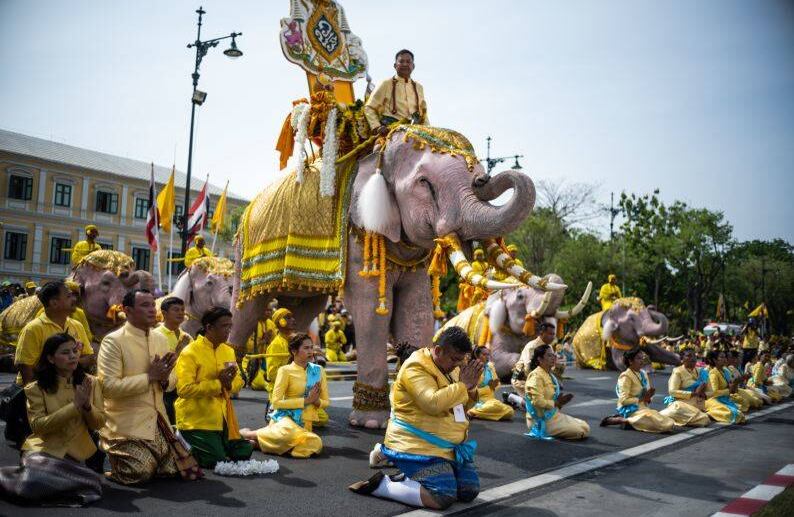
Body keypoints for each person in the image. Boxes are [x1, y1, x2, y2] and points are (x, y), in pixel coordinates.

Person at [352, 327, 483, 510]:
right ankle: (382, 485)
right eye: (454, 359)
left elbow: (458, 405)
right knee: (442, 496)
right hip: (417, 446)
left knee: (469, 490)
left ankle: (407, 476)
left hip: (446, 447)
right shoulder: (416, 367)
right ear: (438, 350)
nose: (458, 365)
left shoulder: (451, 368)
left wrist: (470, 389)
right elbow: (432, 403)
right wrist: (463, 386)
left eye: (461, 360)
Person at [98, 289, 198, 484]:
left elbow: (170, 383)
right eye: (145, 305)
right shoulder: (113, 341)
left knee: (174, 470)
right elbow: (108, 387)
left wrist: (165, 378)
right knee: (141, 472)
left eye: (153, 304)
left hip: (158, 420)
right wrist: (149, 377)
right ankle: (111, 460)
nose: (152, 309)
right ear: (127, 310)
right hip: (126, 423)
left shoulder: (159, 339)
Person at [0, 333, 104, 506]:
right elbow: (39, 427)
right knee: (31, 482)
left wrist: (87, 407)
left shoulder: (91, 383)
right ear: (50, 359)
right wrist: (74, 406)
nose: (72, 356)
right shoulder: (36, 387)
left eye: (74, 351)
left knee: (86, 481)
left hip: (74, 454)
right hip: (42, 451)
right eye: (65, 353)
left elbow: (99, 423)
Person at [175, 307, 253, 468]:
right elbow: (184, 389)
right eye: (224, 326)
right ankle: (182, 437)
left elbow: (239, 381)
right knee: (217, 461)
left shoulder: (228, 351)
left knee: (243, 452)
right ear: (209, 327)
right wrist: (218, 384)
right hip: (196, 419)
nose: (228, 331)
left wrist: (229, 384)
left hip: (223, 417)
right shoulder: (190, 352)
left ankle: (219, 444)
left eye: (230, 326)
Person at [239, 333, 329, 458]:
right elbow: (275, 403)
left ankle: (259, 444)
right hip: (284, 419)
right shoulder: (285, 370)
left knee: (315, 443)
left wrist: (316, 402)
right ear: (294, 351)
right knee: (289, 434)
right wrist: (306, 401)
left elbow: (326, 402)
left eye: (311, 348)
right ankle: (251, 434)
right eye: (306, 348)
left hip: (305, 422)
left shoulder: (318, 371)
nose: (311, 351)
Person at [15, 280, 94, 387]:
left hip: (69, 387)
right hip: (42, 388)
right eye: (69, 296)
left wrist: (66, 364)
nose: (75, 299)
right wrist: (35, 396)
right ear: (54, 303)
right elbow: (26, 368)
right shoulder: (33, 329)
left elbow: (89, 356)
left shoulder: (77, 326)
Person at [600, 348, 675, 433]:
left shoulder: (643, 373)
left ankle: (631, 421)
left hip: (643, 407)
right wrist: (641, 399)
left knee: (667, 422)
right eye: (638, 358)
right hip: (630, 409)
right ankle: (622, 420)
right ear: (630, 361)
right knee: (662, 425)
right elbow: (623, 400)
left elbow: (646, 396)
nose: (642, 361)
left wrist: (649, 397)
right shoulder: (625, 376)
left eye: (642, 358)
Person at [524, 344, 589, 439]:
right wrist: (556, 403)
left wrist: (559, 402)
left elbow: (552, 401)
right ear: (540, 359)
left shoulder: (549, 374)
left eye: (554, 355)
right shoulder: (536, 376)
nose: (553, 357)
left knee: (585, 426)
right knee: (580, 431)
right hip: (541, 420)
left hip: (553, 415)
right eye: (549, 355)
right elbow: (537, 401)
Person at [364, 49, 428, 135]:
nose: (405, 64)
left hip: (415, 130)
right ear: (395, 65)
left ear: (413, 66)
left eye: (408, 62)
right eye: (401, 61)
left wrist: (429, 131)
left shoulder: (419, 87)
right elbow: (369, 107)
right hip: (390, 130)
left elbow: (423, 113)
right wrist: (377, 127)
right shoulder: (386, 84)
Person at [154, 296, 191, 423]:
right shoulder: (155, 335)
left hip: (185, 389)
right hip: (165, 390)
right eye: (176, 310)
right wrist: (178, 351)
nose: (181, 313)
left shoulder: (186, 336)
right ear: (164, 313)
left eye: (182, 309)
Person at [507, 322, 557, 408]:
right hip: (522, 379)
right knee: (535, 406)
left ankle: (521, 396)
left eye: (553, 334)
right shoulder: (532, 346)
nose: (552, 337)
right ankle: (511, 396)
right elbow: (528, 369)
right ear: (541, 333)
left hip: (539, 378)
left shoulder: (549, 347)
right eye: (550, 334)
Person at [660, 349, 710, 427]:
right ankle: (663, 416)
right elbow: (672, 391)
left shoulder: (702, 371)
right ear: (682, 359)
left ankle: (676, 417)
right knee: (703, 419)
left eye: (694, 356)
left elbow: (711, 391)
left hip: (698, 404)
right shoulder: (678, 371)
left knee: (704, 418)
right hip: (682, 403)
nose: (693, 358)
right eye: (689, 356)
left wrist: (703, 394)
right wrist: (694, 393)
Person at [467, 347, 514, 421]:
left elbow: (497, 385)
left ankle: (476, 413)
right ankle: (472, 411)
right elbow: (470, 390)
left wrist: (491, 387)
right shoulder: (473, 368)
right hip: (477, 400)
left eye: (488, 354)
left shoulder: (490, 366)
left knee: (510, 411)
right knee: (495, 406)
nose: (487, 357)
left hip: (490, 400)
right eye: (484, 354)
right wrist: (489, 388)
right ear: (477, 356)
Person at [704, 350, 746, 424]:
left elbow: (731, 386)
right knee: (736, 415)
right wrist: (728, 390)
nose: (725, 359)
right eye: (721, 357)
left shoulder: (725, 371)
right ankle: (710, 412)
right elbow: (714, 392)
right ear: (715, 360)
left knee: (741, 409)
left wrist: (736, 383)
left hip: (725, 397)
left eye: (725, 357)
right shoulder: (713, 373)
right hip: (714, 399)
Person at [263, 308, 295, 393]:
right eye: (288, 318)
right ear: (281, 322)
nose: (293, 320)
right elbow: (271, 374)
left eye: (292, 317)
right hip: (279, 390)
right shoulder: (276, 345)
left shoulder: (294, 340)